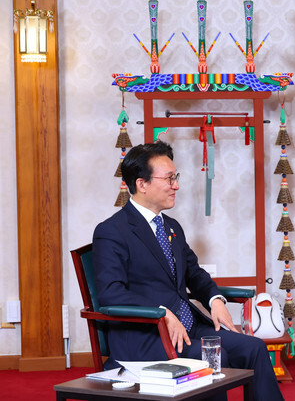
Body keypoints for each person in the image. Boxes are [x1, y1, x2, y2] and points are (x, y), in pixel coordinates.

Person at [93, 141, 284, 401]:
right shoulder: (112, 231)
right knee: (213, 358)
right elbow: (110, 293)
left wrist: (215, 300)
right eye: (169, 179)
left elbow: (194, 274)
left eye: (176, 177)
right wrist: (161, 312)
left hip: (189, 328)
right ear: (142, 184)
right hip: (146, 336)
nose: (177, 186)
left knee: (255, 348)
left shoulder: (172, 227)